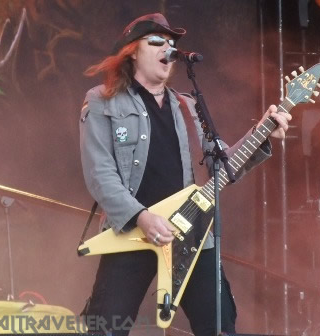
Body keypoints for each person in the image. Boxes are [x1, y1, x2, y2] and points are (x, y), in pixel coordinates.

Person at [79, 13, 291, 336]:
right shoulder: (102, 102)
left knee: (219, 325)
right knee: (105, 328)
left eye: (172, 43)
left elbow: (223, 163)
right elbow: (100, 175)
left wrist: (260, 132)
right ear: (133, 51)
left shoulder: (187, 107)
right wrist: (143, 218)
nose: (169, 48)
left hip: (189, 233)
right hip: (132, 232)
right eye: (157, 42)